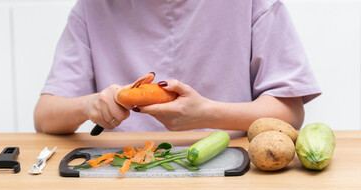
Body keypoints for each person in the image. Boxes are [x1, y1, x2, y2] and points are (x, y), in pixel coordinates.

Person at [34, 0, 321, 134]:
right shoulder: (92, 8)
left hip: (233, 171)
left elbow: (290, 112)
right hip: (123, 178)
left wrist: (207, 114)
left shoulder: (253, 3)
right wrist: (90, 105)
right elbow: (45, 116)